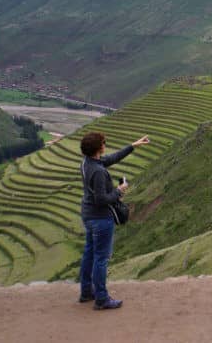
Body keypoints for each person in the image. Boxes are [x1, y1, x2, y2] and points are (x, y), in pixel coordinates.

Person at [78, 131, 150, 310]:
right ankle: (101, 298)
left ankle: (86, 291)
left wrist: (133, 145)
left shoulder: (88, 163)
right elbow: (101, 199)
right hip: (100, 218)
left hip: (88, 215)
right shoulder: (99, 172)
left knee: (89, 254)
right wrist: (119, 190)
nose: (105, 144)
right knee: (101, 259)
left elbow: (112, 158)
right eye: (103, 142)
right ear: (98, 148)